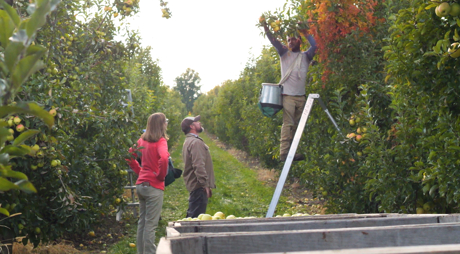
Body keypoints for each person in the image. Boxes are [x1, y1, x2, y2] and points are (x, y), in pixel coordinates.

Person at [262, 21, 318, 162]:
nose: (290, 42)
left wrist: (305, 31)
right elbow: (274, 42)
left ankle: (293, 152)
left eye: (293, 39)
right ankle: (284, 153)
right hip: (288, 96)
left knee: (298, 127)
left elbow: (316, 45)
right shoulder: (284, 54)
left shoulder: (306, 56)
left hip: (301, 97)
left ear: (299, 40)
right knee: (288, 124)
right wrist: (266, 27)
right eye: (288, 40)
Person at [127, 113, 169, 254]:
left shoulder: (142, 140)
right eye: (165, 122)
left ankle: (141, 252)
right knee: (151, 225)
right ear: (161, 124)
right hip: (153, 186)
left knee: (142, 222)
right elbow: (163, 158)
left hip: (141, 185)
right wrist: (161, 175)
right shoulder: (161, 141)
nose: (166, 124)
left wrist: (139, 171)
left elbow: (129, 155)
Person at [181, 115, 216, 218]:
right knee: (195, 218)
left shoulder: (189, 141)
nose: (200, 123)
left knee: (192, 214)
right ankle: (190, 234)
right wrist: (205, 184)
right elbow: (198, 165)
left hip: (195, 185)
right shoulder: (195, 142)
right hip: (198, 186)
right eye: (197, 122)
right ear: (192, 126)